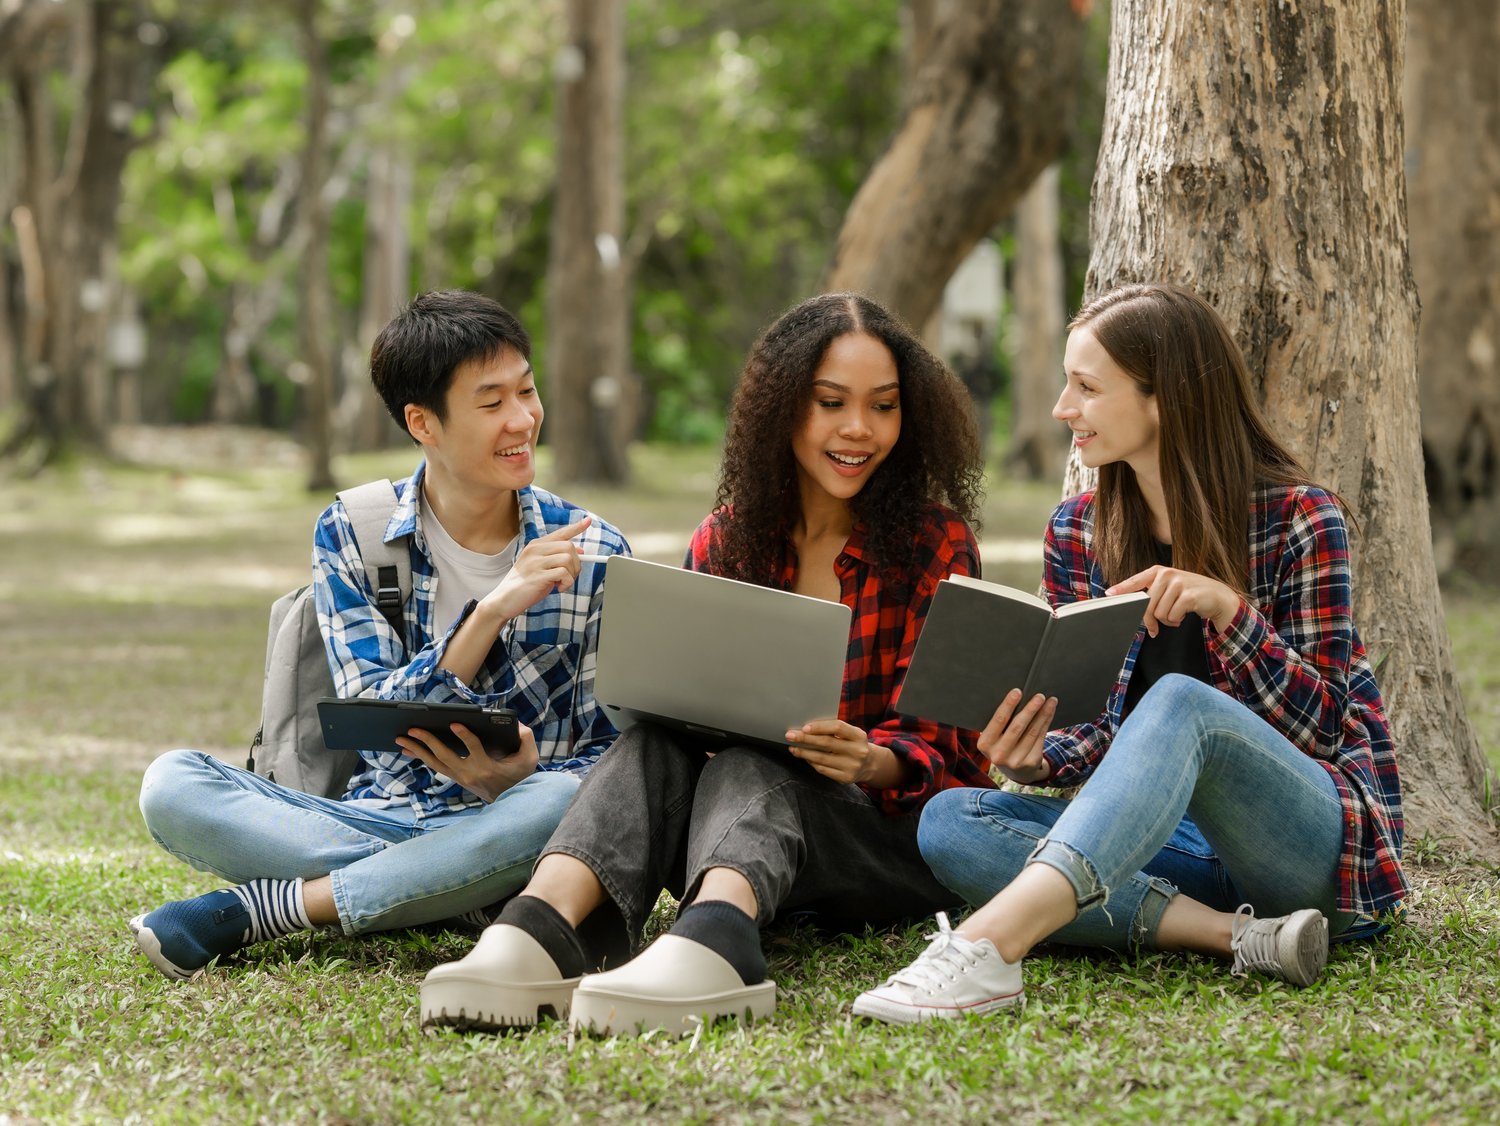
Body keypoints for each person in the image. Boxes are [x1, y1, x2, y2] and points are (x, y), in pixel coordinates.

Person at [418, 292, 993, 1036]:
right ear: (785, 407)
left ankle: (719, 944)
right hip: (741, 831)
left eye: (883, 407)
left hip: (877, 844)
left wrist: (871, 761)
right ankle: (537, 929)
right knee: (657, 741)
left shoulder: (934, 544)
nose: (859, 429)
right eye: (830, 403)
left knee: (757, 765)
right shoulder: (727, 539)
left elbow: (958, 756)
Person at [852, 282, 1407, 1023]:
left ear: (1165, 399)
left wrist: (1228, 612)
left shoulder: (1302, 517)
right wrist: (1037, 758)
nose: (1061, 408)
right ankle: (1238, 937)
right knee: (951, 822)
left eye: (1085, 387)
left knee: (1184, 705)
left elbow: (1324, 729)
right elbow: (1100, 729)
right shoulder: (1080, 530)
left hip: (1311, 852)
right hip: (1166, 844)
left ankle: (987, 948)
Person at [129, 290, 629, 981]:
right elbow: (371, 716)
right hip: (379, 817)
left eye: (527, 390)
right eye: (492, 404)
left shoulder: (598, 551)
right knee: (171, 785)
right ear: (423, 422)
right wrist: (490, 611)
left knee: (563, 803)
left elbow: (615, 762)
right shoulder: (355, 532)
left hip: (526, 820)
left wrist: (518, 782)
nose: (523, 419)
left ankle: (271, 910)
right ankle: (451, 886)